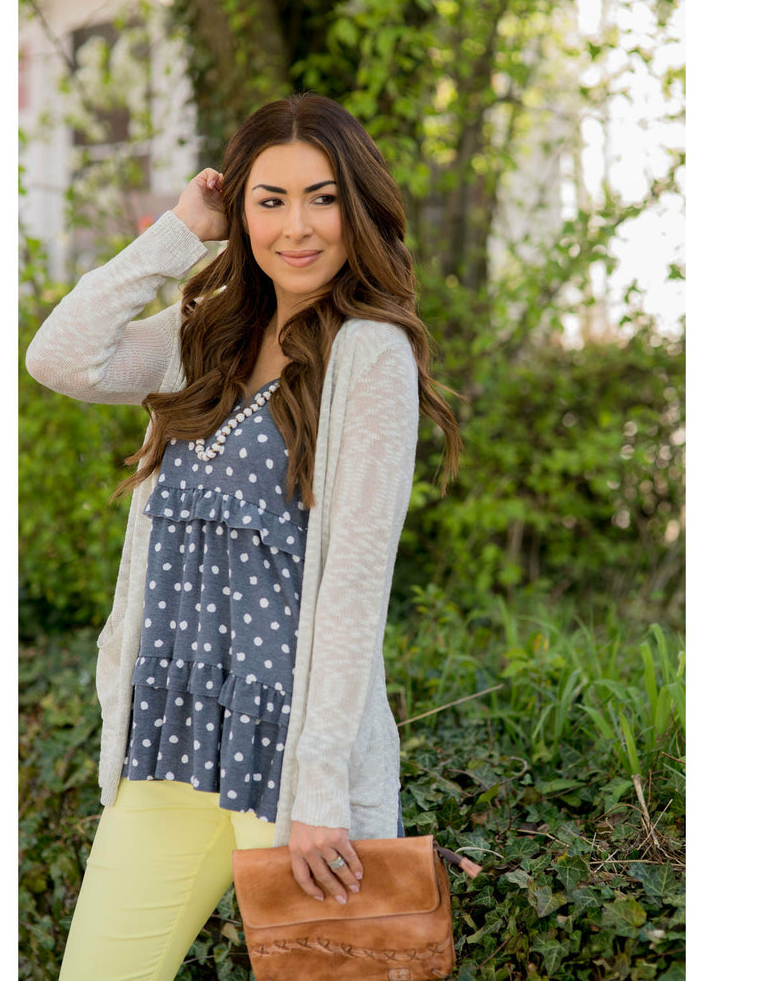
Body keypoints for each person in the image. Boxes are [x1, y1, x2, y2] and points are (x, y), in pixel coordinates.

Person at [25, 92, 462, 981]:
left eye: (322, 198)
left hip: (289, 762)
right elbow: (59, 357)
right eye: (271, 200)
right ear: (240, 212)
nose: (297, 227)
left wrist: (323, 789)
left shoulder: (369, 355)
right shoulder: (206, 335)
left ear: (356, 208)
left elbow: (354, 588)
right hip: (171, 738)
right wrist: (179, 235)